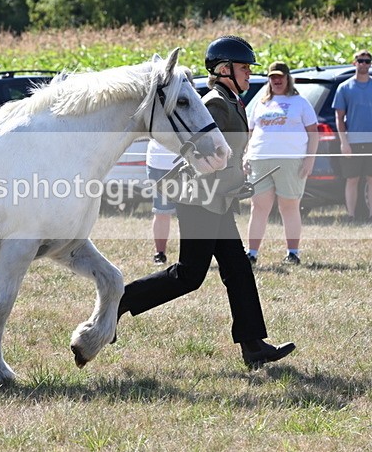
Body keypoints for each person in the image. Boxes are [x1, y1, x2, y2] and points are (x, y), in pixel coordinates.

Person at [115, 36, 296, 369]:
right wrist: (225, 178)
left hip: (218, 201)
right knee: (189, 276)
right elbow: (196, 150)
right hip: (199, 201)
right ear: (224, 69)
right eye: (243, 68)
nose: (248, 74)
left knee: (239, 270)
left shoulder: (232, 100)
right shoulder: (215, 102)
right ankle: (119, 301)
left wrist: (236, 183)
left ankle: (254, 346)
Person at [244, 61, 318, 265]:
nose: (277, 80)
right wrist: (246, 156)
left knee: (289, 206)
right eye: (273, 77)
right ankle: (251, 253)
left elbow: (314, 133)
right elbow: (250, 133)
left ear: (287, 78)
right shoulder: (260, 103)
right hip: (260, 159)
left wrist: (310, 159)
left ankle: (292, 252)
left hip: (291, 160)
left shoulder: (300, 102)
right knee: (258, 207)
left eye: (280, 77)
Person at [332, 50, 372, 222]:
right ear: (354, 63)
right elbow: (339, 116)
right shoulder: (344, 87)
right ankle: (351, 216)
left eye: (367, 61)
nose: (363, 64)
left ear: (371, 64)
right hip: (353, 141)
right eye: (360, 61)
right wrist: (344, 142)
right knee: (352, 179)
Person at [145, 139, 178, 265]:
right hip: (157, 164)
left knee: (186, 215)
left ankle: (187, 254)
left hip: (184, 164)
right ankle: (160, 253)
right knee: (161, 212)